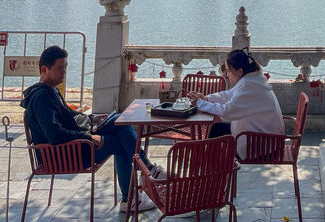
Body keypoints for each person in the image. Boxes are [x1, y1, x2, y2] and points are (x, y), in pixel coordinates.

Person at [21, 45, 164, 212]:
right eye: (60, 68)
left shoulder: (50, 91)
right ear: (44, 69)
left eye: (65, 67)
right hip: (65, 154)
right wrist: (89, 137)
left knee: (119, 121)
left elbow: (69, 116)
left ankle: (138, 183)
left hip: (73, 146)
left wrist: (90, 119)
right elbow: (54, 134)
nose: (64, 72)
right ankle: (140, 181)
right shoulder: (42, 97)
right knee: (120, 141)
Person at [189, 48, 284, 159]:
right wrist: (206, 99)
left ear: (240, 71)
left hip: (263, 146)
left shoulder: (249, 85)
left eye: (229, 71)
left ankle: (211, 165)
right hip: (266, 139)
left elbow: (227, 112)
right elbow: (229, 95)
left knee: (217, 132)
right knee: (217, 128)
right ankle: (210, 164)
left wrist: (200, 103)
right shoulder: (252, 79)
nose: (227, 75)